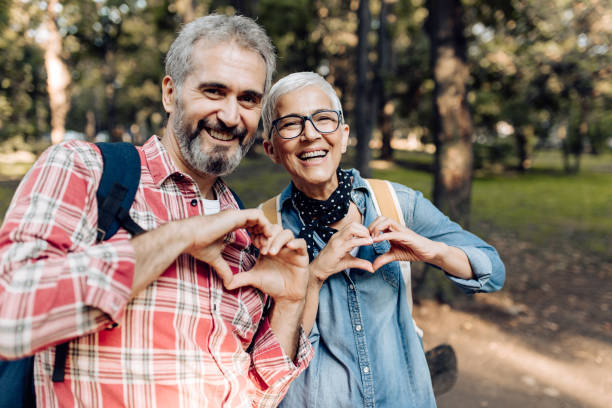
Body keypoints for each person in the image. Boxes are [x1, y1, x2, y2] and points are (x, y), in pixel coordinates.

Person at [0, 15, 313, 407]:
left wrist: (288, 302)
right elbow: (9, 315)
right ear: (170, 93)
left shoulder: (249, 232)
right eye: (214, 91)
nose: (232, 117)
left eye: (248, 99)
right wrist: (180, 235)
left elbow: (255, 396)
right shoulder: (84, 168)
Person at [259, 72, 506, 407]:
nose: (310, 134)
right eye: (290, 124)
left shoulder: (397, 203)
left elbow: (492, 271)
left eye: (323, 119)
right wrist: (314, 275)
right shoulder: (263, 230)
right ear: (271, 148)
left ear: (343, 136)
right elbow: (272, 357)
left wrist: (434, 251)